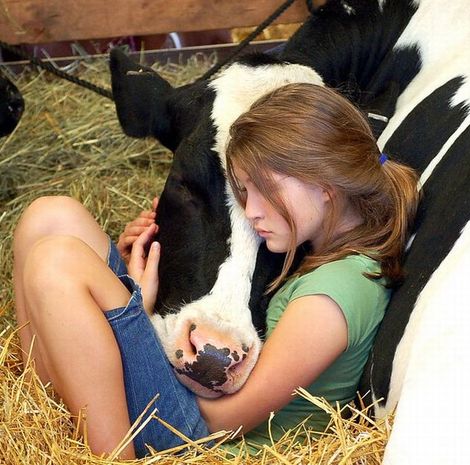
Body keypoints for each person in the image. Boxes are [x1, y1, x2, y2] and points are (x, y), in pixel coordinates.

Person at [13, 83, 420, 459]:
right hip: (183, 413)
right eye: (245, 192)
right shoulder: (327, 257)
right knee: (49, 216)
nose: (251, 210)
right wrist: (123, 301)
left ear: (325, 187)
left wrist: (134, 313)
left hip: (194, 437)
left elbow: (225, 420)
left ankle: (112, 456)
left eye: (266, 191)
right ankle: (47, 407)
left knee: (58, 261)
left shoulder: (333, 296)